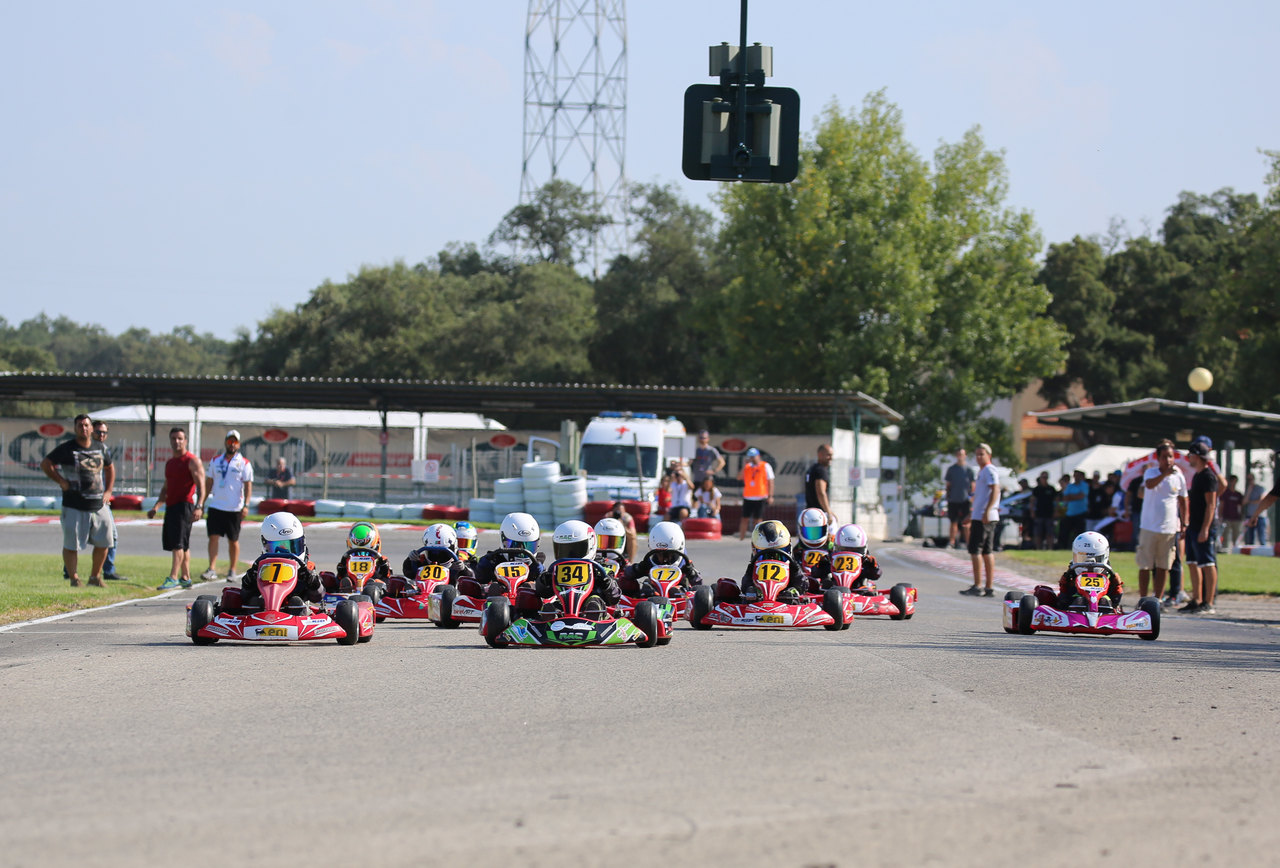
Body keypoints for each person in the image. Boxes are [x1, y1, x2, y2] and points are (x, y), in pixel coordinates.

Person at [40, 413, 116, 587]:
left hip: (98, 504)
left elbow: (110, 468)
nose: (84, 428)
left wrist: (109, 491)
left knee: (105, 541)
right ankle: (74, 578)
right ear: (75, 429)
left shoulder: (100, 448)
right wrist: (61, 481)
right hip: (74, 504)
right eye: (80, 426)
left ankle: (95, 577)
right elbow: (46, 464)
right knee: (71, 544)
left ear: (91, 428)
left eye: (86, 425)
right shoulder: (67, 448)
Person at [148, 427, 206, 590]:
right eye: (173, 438)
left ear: (185, 441)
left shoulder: (192, 460)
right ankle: (185, 577)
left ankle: (173, 577)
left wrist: (199, 506)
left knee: (178, 544)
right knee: (183, 545)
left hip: (184, 506)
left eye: (180, 438)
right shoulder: (170, 463)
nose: (177, 442)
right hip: (171, 507)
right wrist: (156, 506)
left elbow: (201, 485)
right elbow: (166, 487)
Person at [238, 511, 323, 611]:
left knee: (296, 602)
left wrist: (312, 581)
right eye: (277, 548)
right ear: (265, 546)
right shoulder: (261, 569)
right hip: (262, 615)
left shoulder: (308, 569)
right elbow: (245, 596)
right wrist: (249, 581)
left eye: (292, 547)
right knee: (252, 602)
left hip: (299, 618)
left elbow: (318, 596)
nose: (285, 553)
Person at [535, 520, 622, 616]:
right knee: (552, 606)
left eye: (576, 550)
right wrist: (544, 581)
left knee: (595, 601)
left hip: (595, 613)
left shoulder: (602, 570)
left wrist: (607, 583)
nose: (570, 556)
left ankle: (593, 613)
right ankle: (551, 616)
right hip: (565, 606)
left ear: (591, 545)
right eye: (564, 550)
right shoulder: (557, 571)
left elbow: (615, 598)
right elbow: (542, 593)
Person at [1136, 439, 1187, 600]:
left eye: (1171, 456)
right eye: (1165, 457)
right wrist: (1164, 473)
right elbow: (1149, 485)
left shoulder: (1178, 475)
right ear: (1158, 458)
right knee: (1145, 565)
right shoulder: (1151, 472)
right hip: (1149, 527)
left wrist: (1185, 522)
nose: (1168, 460)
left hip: (1169, 528)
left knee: (1164, 566)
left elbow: (1183, 499)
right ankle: (1143, 598)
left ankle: (1157, 599)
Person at [201, 429, 254, 582]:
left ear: (238, 444)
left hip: (234, 508)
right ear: (225, 442)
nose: (232, 444)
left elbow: (248, 485)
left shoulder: (244, 463)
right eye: (230, 441)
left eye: (235, 442)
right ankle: (212, 568)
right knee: (213, 537)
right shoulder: (215, 460)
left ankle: (232, 570)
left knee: (233, 539)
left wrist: (246, 505)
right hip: (217, 505)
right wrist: (201, 502)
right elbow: (209, 482)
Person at [1181, 441, 1220, 614]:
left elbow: (1211, 505)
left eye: (1190, 454)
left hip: (1204, 526)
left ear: (1197, 455)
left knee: (1207, 563)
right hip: (1193, 525)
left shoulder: (1208, 476)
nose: (1189, 458)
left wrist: (1205, 528)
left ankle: (1208, 602)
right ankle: (1196, 599)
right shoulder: (1197, 475)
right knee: (1192, 562)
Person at [89, 420, 129, 581]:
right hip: (83, 500)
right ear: (92, 432)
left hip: (100, 501)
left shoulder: (104, 450)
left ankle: (108, 570)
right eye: (98, 432)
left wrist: (108, 492)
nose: (101, 435)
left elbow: (109, 472)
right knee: (77, 538)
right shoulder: (83, 447)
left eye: (104, 433)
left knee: (111, 535)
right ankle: (69, 571)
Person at [960, 443, 1000, 597]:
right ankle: (988, 586)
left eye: (981, 454)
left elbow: (995, 489)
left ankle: (979, 585)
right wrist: (972, 513)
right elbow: (980, 496)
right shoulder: (982, 471)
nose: (978, 457)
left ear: (988, 455)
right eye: (977, 454)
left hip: (985, 516)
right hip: (980, 514)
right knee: (985, 551)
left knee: (976, 550)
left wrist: (987, 510)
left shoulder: (989, 470)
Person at [621, 520, 702, 596]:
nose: (664, 560)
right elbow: (627, 573)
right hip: (650, 601)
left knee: (690, 587)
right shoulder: (649, 562)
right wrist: (638, 568)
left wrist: (691, 573)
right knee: (625, 582)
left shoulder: (685, 564)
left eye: (669, 555)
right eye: (659, 554)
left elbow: (699, 583)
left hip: (679, 601)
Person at [473, 512, 544, 595]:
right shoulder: (494, 559)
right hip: (498, 599)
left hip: (528, 600)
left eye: (529, 546)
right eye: (515, 545)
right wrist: (483, 567)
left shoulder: (537, 562)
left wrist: (539, 574)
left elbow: (545, 585)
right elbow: (481, 579)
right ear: (503, 540)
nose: (522, 551)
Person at [739, 520, 807, 602]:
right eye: (766, 554)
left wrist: (794, 590)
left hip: (787, 602)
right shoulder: (754, 566)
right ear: (754, 550)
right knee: (725, 586)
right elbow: (745, 585)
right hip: (758, 602)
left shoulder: (792, 565)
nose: (773, 559)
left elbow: (803, 583)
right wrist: (750, 589)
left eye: (780, 552)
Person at [1055, 531, 1124, 609]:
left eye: (1096, 559)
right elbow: (1063, 597)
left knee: (1105, 599)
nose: (1088, 564)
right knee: (1043, 593)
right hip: (1071, 605)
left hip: (1105, 606)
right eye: (1082, 558)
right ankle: (1078, 604)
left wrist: (1117, 585)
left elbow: (1116, 598)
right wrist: (1064, 583)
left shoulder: (1108, 574)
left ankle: (1104, 607)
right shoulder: (1072, 573)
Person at [400, 523, 475, 593]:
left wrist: (463, 569)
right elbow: (408, 573)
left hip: (450, 597)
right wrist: (410, 560)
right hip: (421, 594)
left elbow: (473, 577)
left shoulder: (460, 562)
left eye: (443, 553)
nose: (438, 557)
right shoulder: (421, 560)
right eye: (433, 552)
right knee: (397, 581)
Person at [332, 521, 392, 590]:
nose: (362, 555)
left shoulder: (382, 561)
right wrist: (341, 569)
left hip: (374, 589)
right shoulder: (347, 559)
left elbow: (388, 580)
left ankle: (372, 585)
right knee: (328, 577)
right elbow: (339, 578)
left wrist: (384, 567)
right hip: (351, 585)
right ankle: (346, 587)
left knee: (382, 582)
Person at [828, 522, 883, 590]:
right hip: (834, 591)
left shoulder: (866, 561)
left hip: (858, 591)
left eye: (855, 550)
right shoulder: (831, 559)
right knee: (824, 583)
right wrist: (822, 564)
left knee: (869, 589)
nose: (849, 554)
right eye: (844, 549)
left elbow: (876, 575)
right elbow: (816, 573)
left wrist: (874, 567)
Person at [737, 448, 774, 540]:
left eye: (753, 457)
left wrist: (770, 496)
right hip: (748, 496)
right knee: (744, 518)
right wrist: (744, 465)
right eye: (750, 457)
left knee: (758, 519)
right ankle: (741, 538)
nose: (752, 459)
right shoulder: (747, 467)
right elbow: (739, 477)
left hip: (760, 496)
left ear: (758, 456)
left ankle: (757, 539)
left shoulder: (765, 466)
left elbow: (771, 481)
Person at [792, 507, 835, 585]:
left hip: (828, 586)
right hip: (803, 584)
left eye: (817, 532)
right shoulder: (797, 550)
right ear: (800, 529)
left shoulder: (832, 547)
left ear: (826, 529)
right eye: (810, 532)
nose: (814, 537)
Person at [944, 448, 975, 549]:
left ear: (965, 456)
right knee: (953, 521)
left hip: (965, 500)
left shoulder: (969, 470)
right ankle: (952, 542)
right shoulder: (952, 469)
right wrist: (948, 496)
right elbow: (948, 485)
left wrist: (972, 498)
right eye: (958, 454)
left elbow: (973, 485)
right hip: (953, 499)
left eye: (962, 454)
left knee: (966, 523)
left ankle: (969, 543)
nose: (960, 456)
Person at [804, 443, 835, 527]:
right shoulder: (820, 470)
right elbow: (821, 492)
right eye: (828, 455)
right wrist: (829, 512)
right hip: (819, 515)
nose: (831, 458)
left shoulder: (812, 469)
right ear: (820, 454)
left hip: (808, 512)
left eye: (832, 455)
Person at [1030, 471, 1057, 551]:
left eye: (1045, 477)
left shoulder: (1051, 489)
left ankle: (1050, 548)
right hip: (1039, 513)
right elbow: (1032, 501)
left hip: (1049, 514)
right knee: (1038, 533)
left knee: (1050, 533)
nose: (1044, 479)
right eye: (1043, 477)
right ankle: (1038, 548)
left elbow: (1056, 501)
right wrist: (1032, 512)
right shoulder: (1037, 489)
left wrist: (1056, 511)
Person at [1062, 470, 1090, 543]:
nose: (1076, 477)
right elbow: (1065, 498)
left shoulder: (1084, 485)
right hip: (1070, 513)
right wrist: (1075, 496)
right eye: (1075, 475)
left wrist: (1070, 497)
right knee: (1065, 532)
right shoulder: (1070, 486)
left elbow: (1081, 496)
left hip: (1081, 513)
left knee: (1080, 533)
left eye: (1078, 475)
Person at [1243, 473, 1269, 546]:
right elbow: (1244, 502)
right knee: (1250, 537)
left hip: (1260, 516)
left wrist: (1250, 501)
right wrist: (1249, 491)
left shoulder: (1261, 488)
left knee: (1261, 535)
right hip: (1250, 516)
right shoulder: (1247, 489)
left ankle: (1263, 550)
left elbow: (1261, 500)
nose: (1249, 481)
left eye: (1250, 479)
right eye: (1248, 480)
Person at [1219, 475, 1244, 552]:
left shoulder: (1238, 494)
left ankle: (1236, 550)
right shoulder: (1225, 493)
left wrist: (1241, 516)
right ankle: (1225, 549)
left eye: (1235, 481)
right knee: (1225, 535)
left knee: (1236, 535)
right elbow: (1221, 504)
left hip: (1236, 518)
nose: (1234, 483)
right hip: (1226, 517)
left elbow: (1241, 506)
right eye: (1232, 481)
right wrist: (1220, 516)